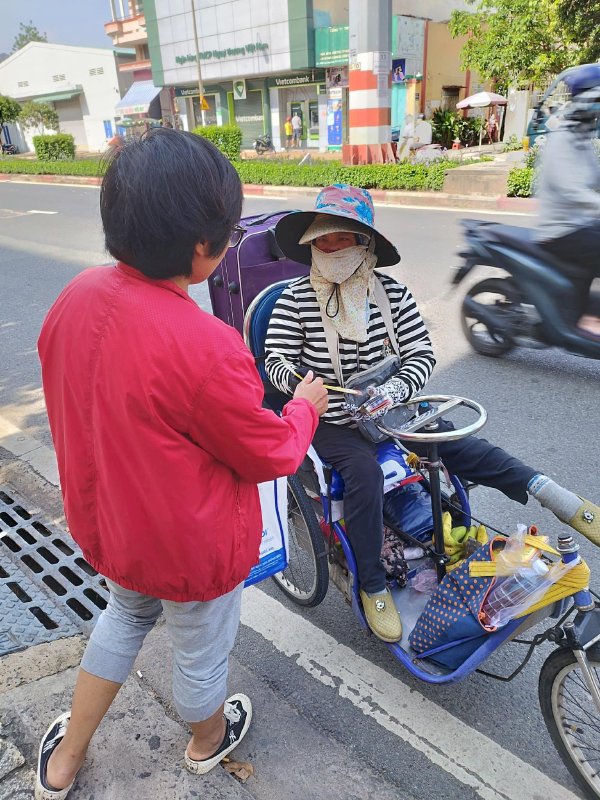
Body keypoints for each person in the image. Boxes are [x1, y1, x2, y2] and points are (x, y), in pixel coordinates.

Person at [34, 128, 328, 800]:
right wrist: (304, 406)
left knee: (123, 617)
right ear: (203, 249)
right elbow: (271, 451)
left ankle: (65, 761)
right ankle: (205, 741)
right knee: (199, 651)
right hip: (187, 547)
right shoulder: (207, 346)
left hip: (114, 523)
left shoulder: (76, 296)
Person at [264, 183, 600, 644]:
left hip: (392, 408)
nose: (330, 248)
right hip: (333, 420)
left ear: (364, 245)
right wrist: (306, 389)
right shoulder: (294, 299)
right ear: (311, 245)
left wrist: (397, 387)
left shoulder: (392, 294)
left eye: (342, 239)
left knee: (455, 442)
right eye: (323, 239)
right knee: (363, 475)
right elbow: (275, 360)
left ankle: (561, 499)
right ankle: (374, 586)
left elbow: (420, 351)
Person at [533, 63, 600, 337]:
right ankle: (588, 316)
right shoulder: (561, 138)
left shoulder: (581, 138)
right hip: (560, 229)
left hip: (580, 224)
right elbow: (571, 190)